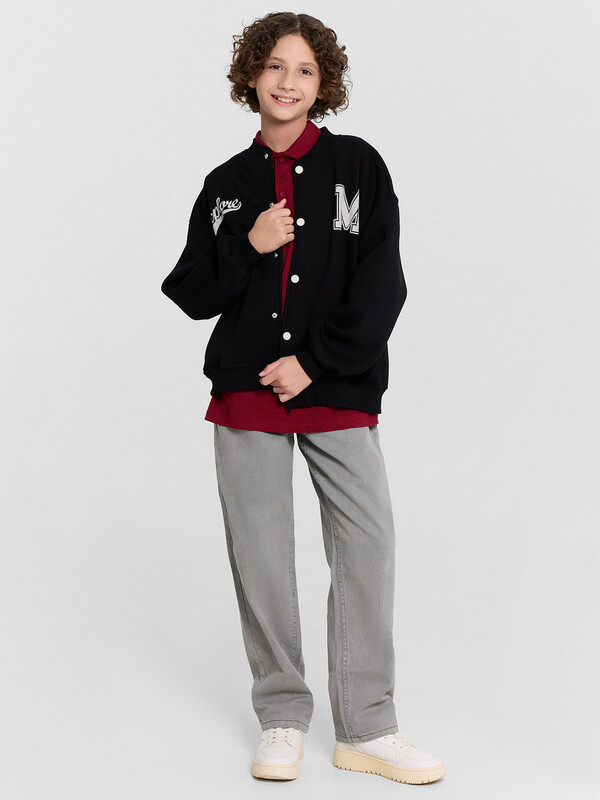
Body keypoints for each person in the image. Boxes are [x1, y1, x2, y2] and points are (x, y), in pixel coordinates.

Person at [161, 10, 445, 785]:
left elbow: (383, 283)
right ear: (252, 75)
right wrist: (247, 245)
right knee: (261, 556)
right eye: (275, 66)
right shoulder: (227, 186)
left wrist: (314, 365)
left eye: (306, 70)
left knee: (368, 544)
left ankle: (368, 727)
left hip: (337, 386)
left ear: (325, 85)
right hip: (245, 395)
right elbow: (191, 292)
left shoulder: (359, 166)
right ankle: (282, 716)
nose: (288, 82)